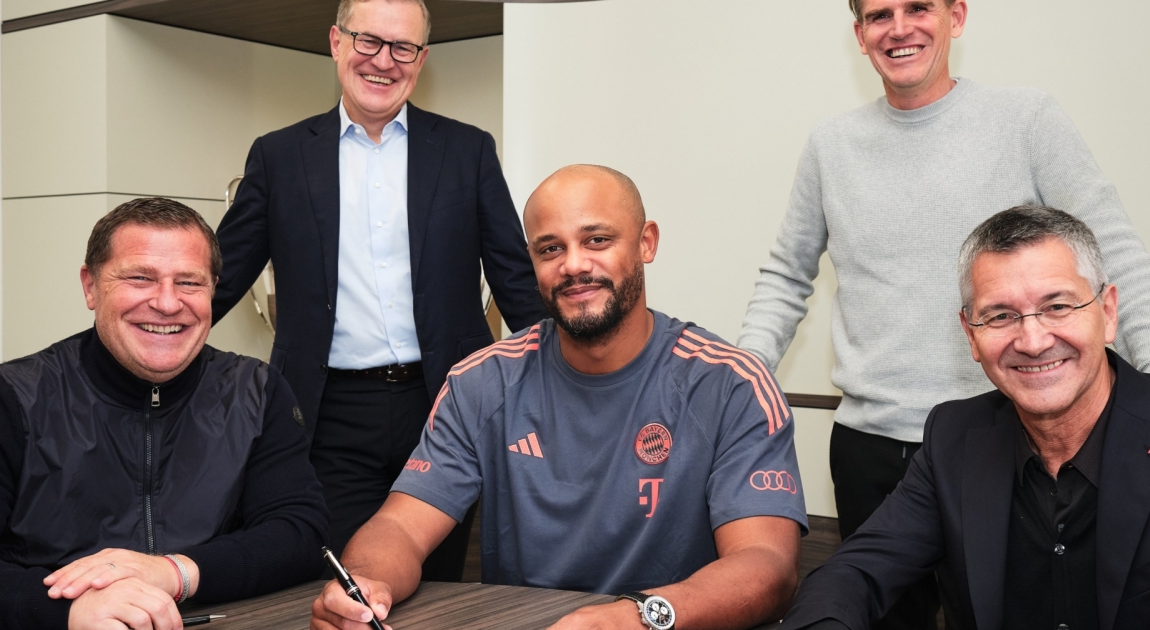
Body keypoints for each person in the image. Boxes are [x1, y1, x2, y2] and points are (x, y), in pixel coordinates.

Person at [737, 1, 1150, 626]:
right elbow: (785, 276)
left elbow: (1114, 254)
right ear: (859, 34)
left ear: (957, 15)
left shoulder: (1027, 119)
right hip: (871, 444)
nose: (900, 28)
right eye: (879, 14)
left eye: (918, 6)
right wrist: (736, 392)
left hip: (1006, 440)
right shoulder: (830, 146)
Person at [309, 165, 807, 630]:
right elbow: (400, 527)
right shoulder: (482, 382)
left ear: (646, 243)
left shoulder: (731, 384)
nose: (573, 265)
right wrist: (366, 583)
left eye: (597, 240)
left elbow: (766, 565)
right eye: (550, 249)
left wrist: (632, 618)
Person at [211, 0, 546, 578]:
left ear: (422, 59)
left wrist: (578, 378)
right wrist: (145, 341)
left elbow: (515, 281)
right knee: (345, 583)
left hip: (447, 408)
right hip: (328, 415)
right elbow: (219, 279)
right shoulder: (279, 156)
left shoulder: (467, 151)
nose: (383, 61)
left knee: (437, 586)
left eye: (403, 48)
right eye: (368, 41)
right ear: (336, 42)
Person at [782, 206, 1150, 630]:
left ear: (1109, 312)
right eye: (1001, 316)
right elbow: (855, 573)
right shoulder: (953, 439)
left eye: (1058, 306)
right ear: (971, 334)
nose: (1032, 341)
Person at [0, 198, 329, 630]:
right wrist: (67, 611)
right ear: (91, 287)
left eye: (189, 282)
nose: (167, 303)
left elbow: (299, 533)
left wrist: (173, 572)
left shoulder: (256, 390)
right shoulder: (5, 399)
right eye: (140, 278)